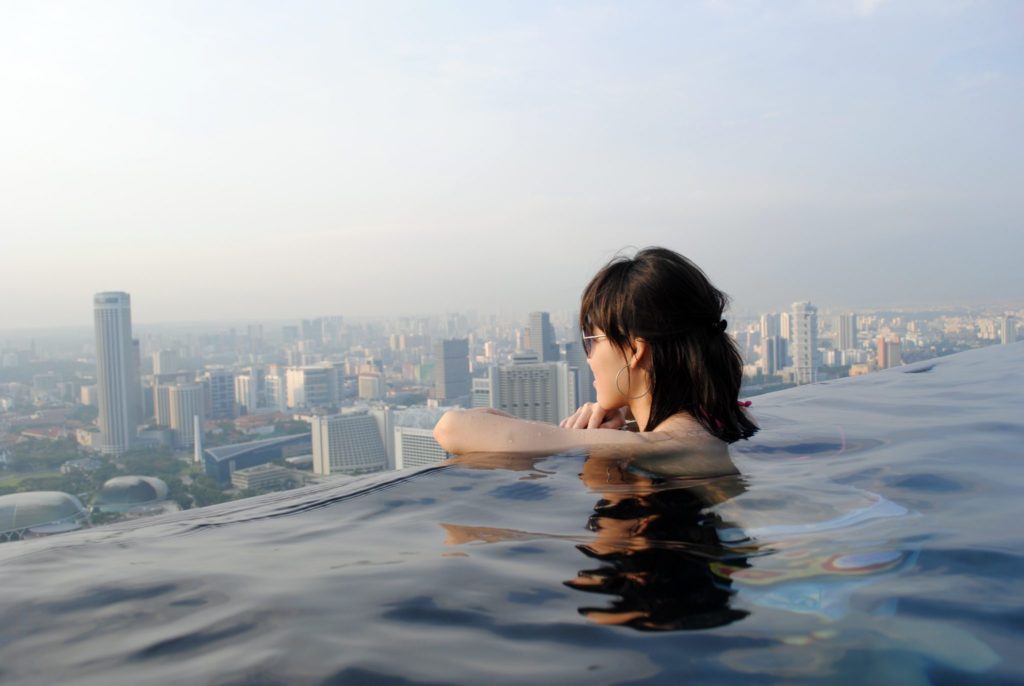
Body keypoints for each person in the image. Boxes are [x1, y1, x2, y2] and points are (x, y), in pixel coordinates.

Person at [433, 247, 757, 469]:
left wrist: (594, 437)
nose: (588, 358)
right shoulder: (713, 422)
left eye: (592, 341)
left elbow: (450, 428)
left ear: (635, 350)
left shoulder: (664, 446)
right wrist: (628, 419)